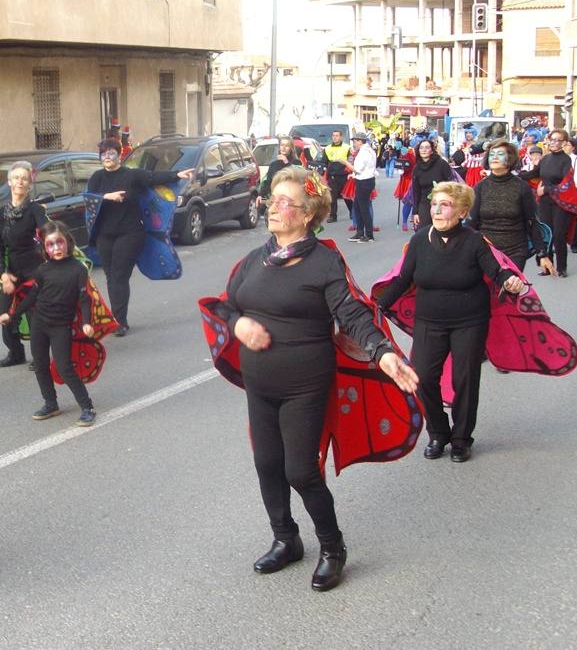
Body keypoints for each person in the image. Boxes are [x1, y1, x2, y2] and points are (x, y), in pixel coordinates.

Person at [203, 166, 418, 591]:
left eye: (286, 202)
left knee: (301, 471)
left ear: (307, 215)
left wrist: (384, 352)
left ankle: (333, 548)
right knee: (267, 465)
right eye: (272, 199)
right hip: (260, 384)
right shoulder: (257, 258)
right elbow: (227, 305)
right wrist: (241, 323)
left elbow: (352, 312)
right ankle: (286, 539)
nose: (273, 207)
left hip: (305, 383)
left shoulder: (323, 260)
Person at [376, 182, 528, 463]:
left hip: (469, 321)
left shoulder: (474, 241)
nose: (437, 210)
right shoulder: (421, 240)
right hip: (429, 321)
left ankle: (461, 438)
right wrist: (377, 306)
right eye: (434, 204)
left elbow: (497, 272)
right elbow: (402, 279)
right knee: (421, 377)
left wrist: (510, 280)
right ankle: (438, 433)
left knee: (465, 379)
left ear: (461, 211)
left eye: (445, 205)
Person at [86, 138, 194, 335]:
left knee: (119, 275)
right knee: (111, 277)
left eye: (111, 153)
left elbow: (153, 178)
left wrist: (176, 174)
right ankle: (117, 317)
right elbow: (88, 200)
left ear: (119, 155)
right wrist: (106, 197)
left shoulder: (131, 176)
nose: (107, 157)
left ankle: (120, 321)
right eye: (103, 154)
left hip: (130, 233)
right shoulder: (97, 178)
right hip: (104, 235)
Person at [0, 221, 98, 426]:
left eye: (60, 243)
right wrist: (13, 315)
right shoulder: (43, 270)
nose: (56, 248)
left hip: (61, 327)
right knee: (40, 365)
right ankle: (51, 403)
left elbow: (85, 298)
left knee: (64, 367)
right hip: (39, 324)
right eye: (50, 245)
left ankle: (87, 406)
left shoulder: (78, 269)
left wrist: (87, 322)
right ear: (44, 248)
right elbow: (32, 297)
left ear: (68, 243)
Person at [467, 141, 555, 275]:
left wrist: (542, 254)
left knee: (509, 291)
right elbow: (472, 222)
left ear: (510, 159)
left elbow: (532, 222)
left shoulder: (521, 187)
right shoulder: (480, 187)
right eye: (491, 154)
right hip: (486, 251)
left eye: (500, 154)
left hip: (516, 251)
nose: (495, 157)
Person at [0, 161, 47, 368]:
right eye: (16, 178)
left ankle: (40, 357)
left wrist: (46, 232)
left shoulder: (35, 210)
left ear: (29, 184)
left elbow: (46, 233)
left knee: (33, 314)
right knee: (5, 313)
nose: (20, 181)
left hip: (34, 269)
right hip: (13, 272)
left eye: (24, 178)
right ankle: (15, 353)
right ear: (9, 182)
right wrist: (3, 274)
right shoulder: (2, 213)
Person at [519, 129, 577, 277]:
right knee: (546, 234)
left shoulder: (566, 160)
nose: (554, 142)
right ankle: (547, 265)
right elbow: (534, 174)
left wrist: (546, 189)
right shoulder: (545, 159)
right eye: (552, 139)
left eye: (558, 140)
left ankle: (562, 267)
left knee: (559, 235)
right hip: (545, 202)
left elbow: (566, 183)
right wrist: (515, 175)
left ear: (564, 143)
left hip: (561, 202)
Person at [410, 138, 451, 231]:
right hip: (424, 202)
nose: (424, 150)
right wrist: (415, 212)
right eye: (421, 148)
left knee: (441, 229)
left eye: (427, 147)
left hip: (442, 201)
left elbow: (451, 183)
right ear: (418, 150)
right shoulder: (417, 168)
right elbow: (416, 192)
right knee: (423, 230)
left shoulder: (441, 163)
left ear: (432, 150)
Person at [348, 132, 377, 242]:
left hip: (364, 182)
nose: (354, 144)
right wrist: (353, 175)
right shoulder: (369, 151)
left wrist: (345, 162)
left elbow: (358, 169)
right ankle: (360, 232)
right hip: (366, 180)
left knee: (363, 208)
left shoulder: (364, 153)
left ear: (360, 141)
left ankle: (369, 235)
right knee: (357, 207)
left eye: (355, 141)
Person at [259, 136, 301, 203]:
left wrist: (286, 162)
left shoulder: (297, 162)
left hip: (290, 199)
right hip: (275, 199)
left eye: (287, 146)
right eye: (282, 145)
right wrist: (261, 195)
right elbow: (267, 182)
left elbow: (298, 178)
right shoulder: (273, 164)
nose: (283, 148)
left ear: (291, 149)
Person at [323, 130, 352, 222]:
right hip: (332, 176)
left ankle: (352, 212)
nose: (335, 137)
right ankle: (333, 216)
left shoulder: (347, 148)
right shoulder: (327, 148)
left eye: (337, 135)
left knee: (346, 196)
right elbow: (324, 162)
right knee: (332, 197)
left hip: (344, 175)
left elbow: (351, 161)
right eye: (333, 135)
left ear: (341, 137)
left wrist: (351, 173)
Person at [394, 145, 416, 231]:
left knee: (409, 202)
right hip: (410, 180)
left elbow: (403, 168)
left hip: (407, 181)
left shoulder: (407, 155)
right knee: (413, 202)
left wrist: (401, 171)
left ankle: (405, 222)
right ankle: (411, 222)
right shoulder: (413, 156)